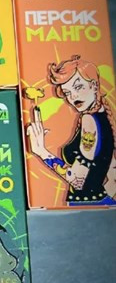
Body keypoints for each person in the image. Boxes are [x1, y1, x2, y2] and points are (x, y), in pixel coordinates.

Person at [27, 55, 116, 205]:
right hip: (101, 203)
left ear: (94, 85)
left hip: (87, 206)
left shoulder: (89, 120)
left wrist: (41, 151)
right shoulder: (104, 113)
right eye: (67, 92)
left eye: (78, 87)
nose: (73, 96)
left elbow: (78, 180)